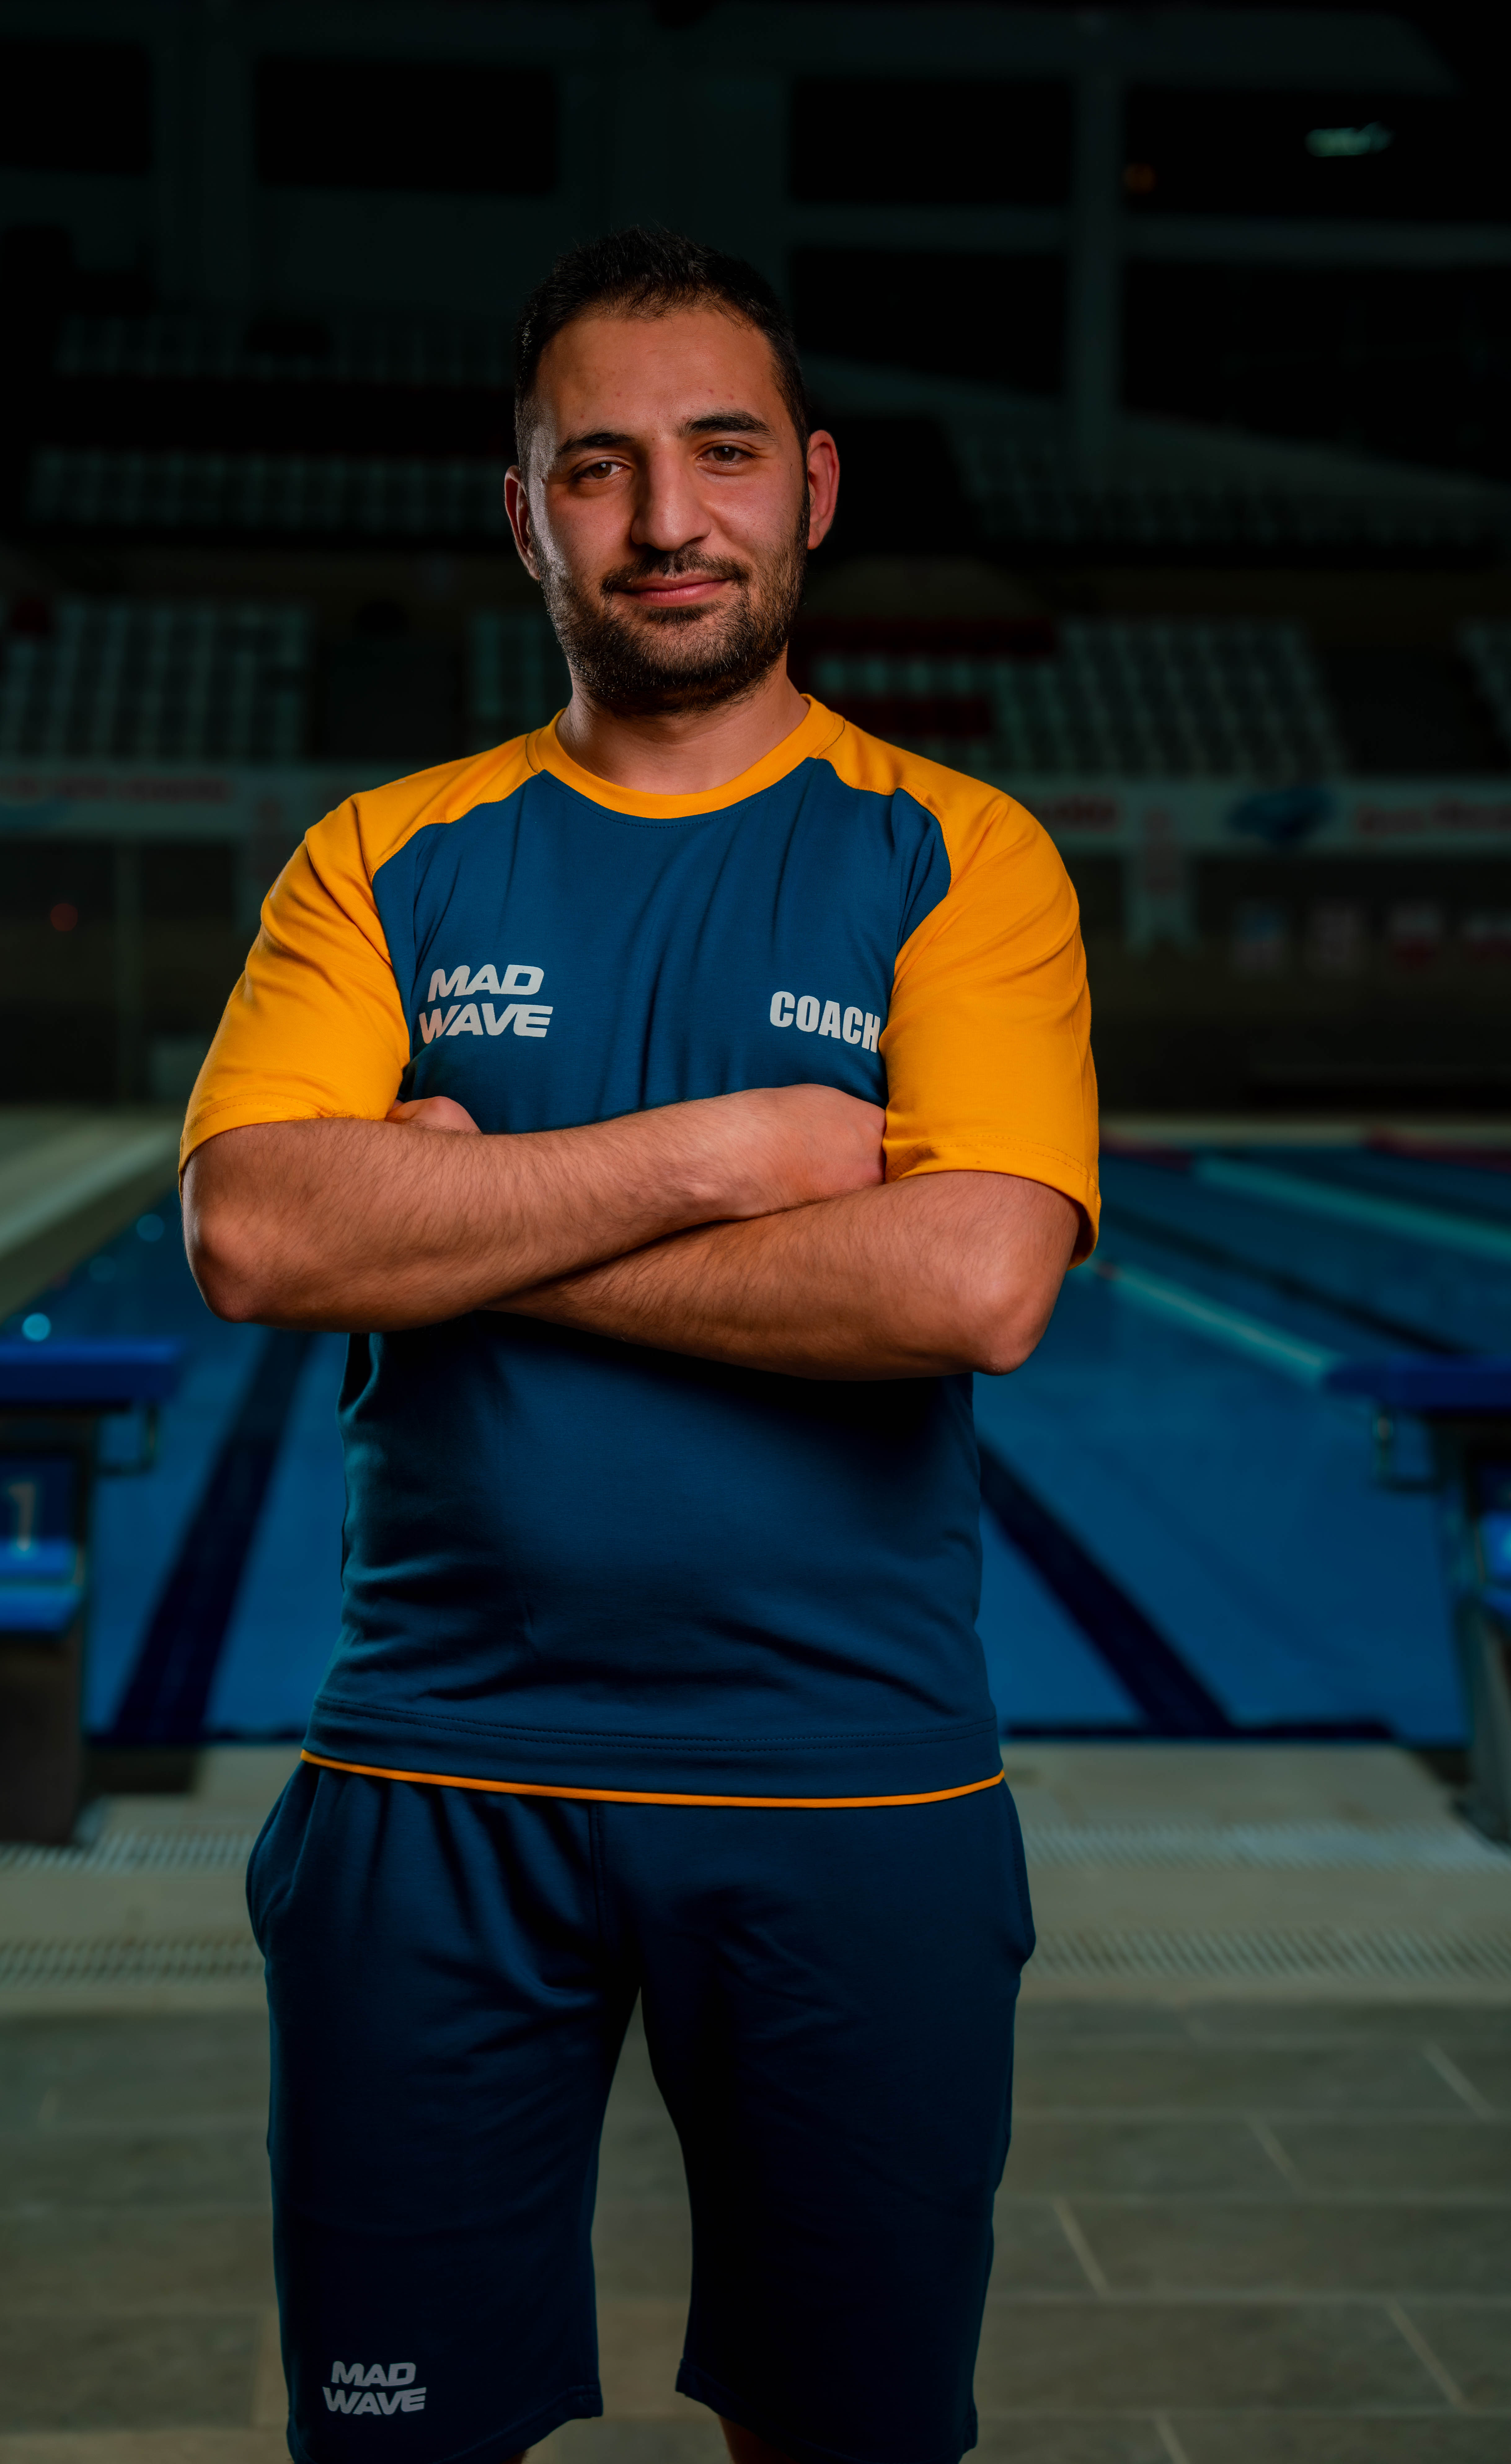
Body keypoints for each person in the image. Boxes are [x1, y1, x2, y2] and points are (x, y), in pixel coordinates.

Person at [183, 227, 1098, 2464]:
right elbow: (257, 1231)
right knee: (393, 2437)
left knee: (855, 2435)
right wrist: (730, 1155)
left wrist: (463, 1225)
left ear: (815, 484)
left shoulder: (959, 856)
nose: (667, 519)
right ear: (526, 509)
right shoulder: (384, 857)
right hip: (435, 1774)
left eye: (722, 453)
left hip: (855, 1786)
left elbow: (971, 1284)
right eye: (598, 466)